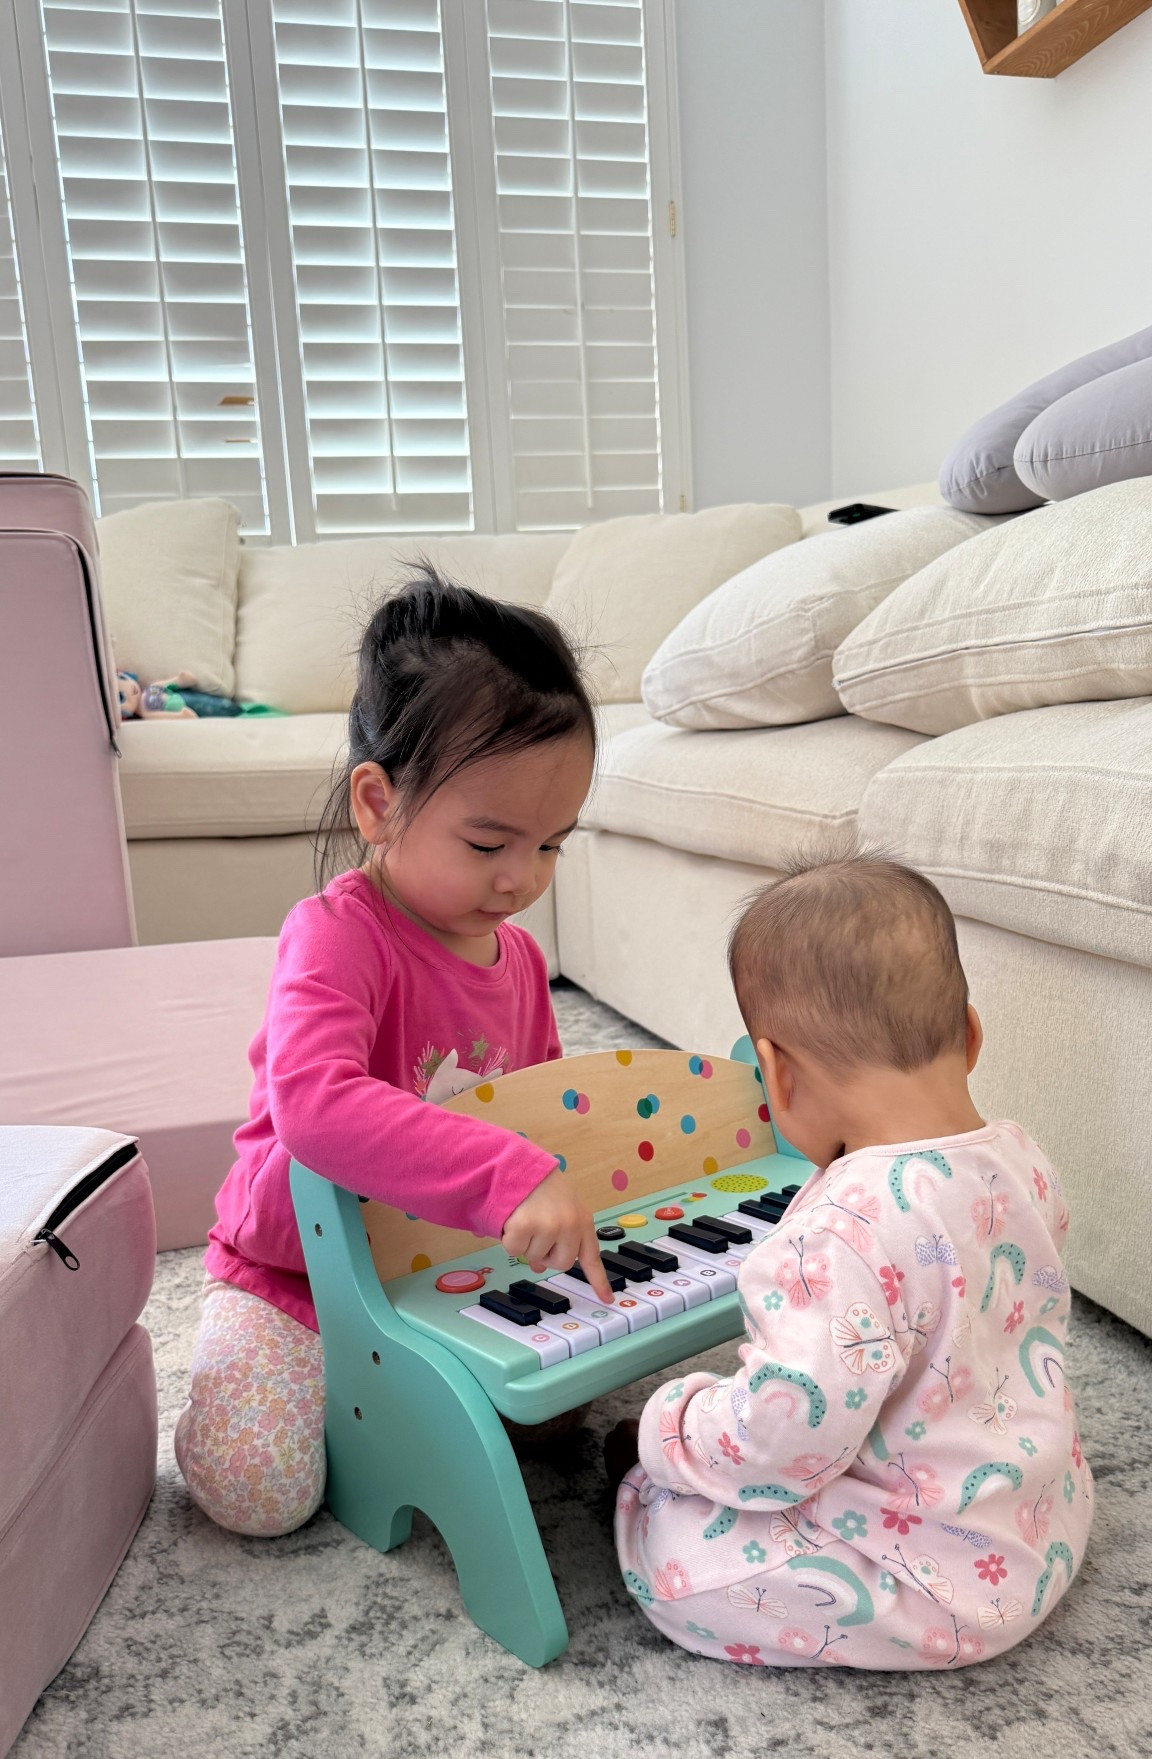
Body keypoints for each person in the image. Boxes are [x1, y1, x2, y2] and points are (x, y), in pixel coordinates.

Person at [176, 570, 611, 1537]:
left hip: (432, 1271)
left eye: (552, 848)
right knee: (258, 1494)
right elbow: (317, 1108)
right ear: (377, 802)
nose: (522, 879)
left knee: (564, 1413)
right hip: (293, 1276)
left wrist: (558, 1202)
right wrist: (507, 1172)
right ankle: (305, 1388)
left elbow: (542, 1113)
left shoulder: (521, 957)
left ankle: (380, 1405)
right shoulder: (337, 933)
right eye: (491, 841)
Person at [609, 854, 1093, 1670]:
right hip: (1040, 1526)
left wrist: (670, 1429)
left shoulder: (836, 1234)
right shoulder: (1021, 1157)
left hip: (933, 1585)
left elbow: (779, 1441)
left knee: (675, 1555)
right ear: (971, 1035)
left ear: (779, 1073)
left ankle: (643, 1511)